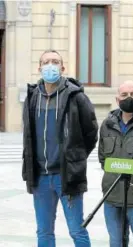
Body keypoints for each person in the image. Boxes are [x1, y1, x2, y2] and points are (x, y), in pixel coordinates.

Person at [22, 49, 98, 246]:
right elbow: (29, 135)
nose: (50, 65)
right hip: (40, 176)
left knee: (77, 230)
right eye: (46, 62)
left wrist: (75, 157)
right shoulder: (32, 97)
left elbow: (91, 132)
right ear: (39, 68)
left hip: (67, 175)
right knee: (44, 232)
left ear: (62, 68)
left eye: (55, 61)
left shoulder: (75, 96)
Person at [98, 81, 133, 247]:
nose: (129, 98)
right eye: (124, 95)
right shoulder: (107, 125)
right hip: (112, 197)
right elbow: (103, 158)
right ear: (117, 100)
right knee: (116, 243)